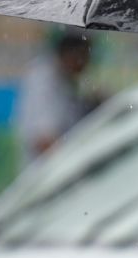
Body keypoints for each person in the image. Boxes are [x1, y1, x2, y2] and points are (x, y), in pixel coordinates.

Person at [13, 28, 91, 164]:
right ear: (72, 54)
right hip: (46, 171)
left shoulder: (65, 82)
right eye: (84, 56)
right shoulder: (45, 81)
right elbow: (44, 139)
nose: (87, 64)